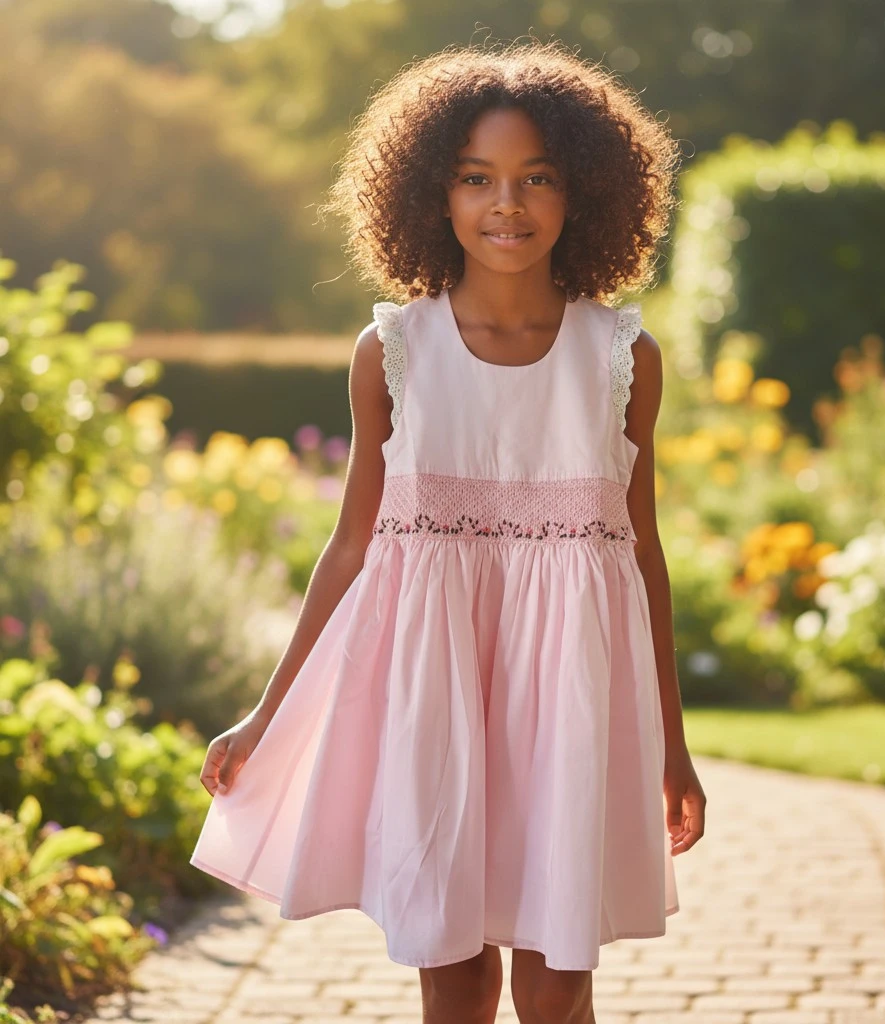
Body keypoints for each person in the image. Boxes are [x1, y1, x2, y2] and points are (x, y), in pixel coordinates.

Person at [190, 36, 707, 1024]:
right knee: (456, 973)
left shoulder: (619, 356)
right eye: (476, 178)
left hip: (572, 698)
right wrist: (266, 712)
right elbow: (350, 546)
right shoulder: (395, 351)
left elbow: (643, 557)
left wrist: (671, 749)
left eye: (535, 177)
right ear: (433, 191)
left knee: (557, 984)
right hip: (435, 697)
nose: (505, 205)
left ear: (583, 193)